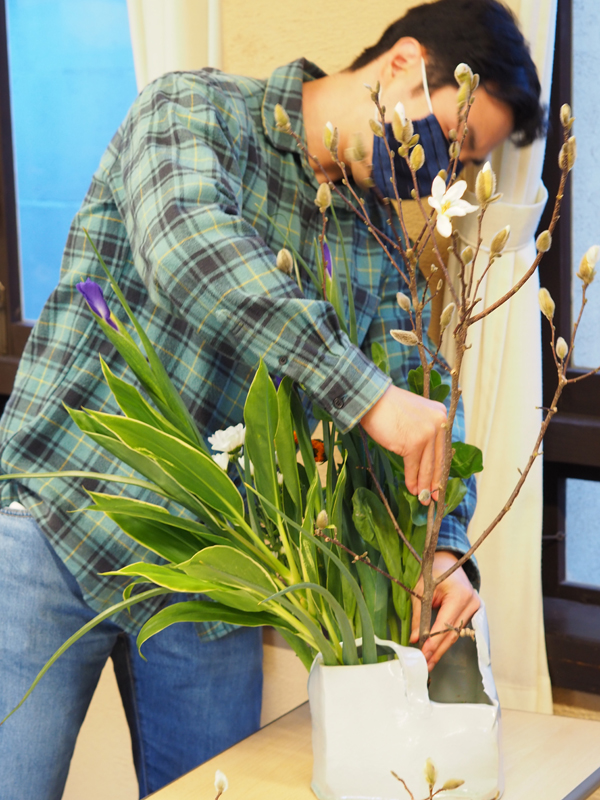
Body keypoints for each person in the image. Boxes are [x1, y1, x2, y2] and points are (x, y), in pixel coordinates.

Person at [0, 0, 544, 797]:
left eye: (461, 164)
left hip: (213, 575)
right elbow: (188, 249)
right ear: (403, 64)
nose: (442, 172)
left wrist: (442, 543)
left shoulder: (374, 237)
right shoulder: (192, 108)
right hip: (57, 518)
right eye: (454, 142)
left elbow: (422, 386)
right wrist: (364, 395)